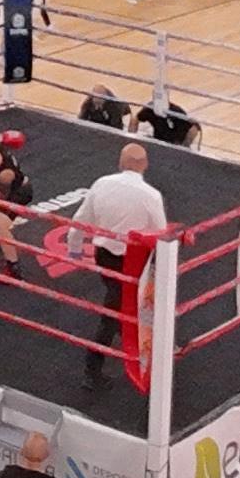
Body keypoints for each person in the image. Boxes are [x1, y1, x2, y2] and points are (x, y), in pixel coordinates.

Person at [75, 143, 169, 389]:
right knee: (115, 311)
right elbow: (161, 234)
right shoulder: (150, 195)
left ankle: (140, 344)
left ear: (120, 162)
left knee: (120, 304)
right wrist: (164, 266)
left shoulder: (102, 184)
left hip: (105, 255)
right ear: (145, 165)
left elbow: (80, 219)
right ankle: (92, 368)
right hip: (133, 262)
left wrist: (74, 250)